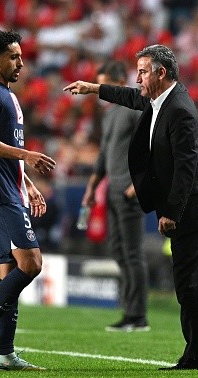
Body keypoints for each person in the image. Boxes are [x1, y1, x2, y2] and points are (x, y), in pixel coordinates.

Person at [64, 44, 198, 370]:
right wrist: (95, 88)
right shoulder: (159, 100)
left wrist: (171, 212)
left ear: (161, 73)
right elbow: (130, 97)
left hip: (191, 207)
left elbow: (186, 167)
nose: (137, 77)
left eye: (142, 71)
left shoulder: (178, 109)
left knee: (188, 282)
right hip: (194, 204)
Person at [0, 30, 56, 371]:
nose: (21, 62)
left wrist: (27, 182)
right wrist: (28, 154)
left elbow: (4, 151)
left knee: (9, 272)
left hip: (11, 188)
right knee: (30, 263)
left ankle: (5, 352)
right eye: (14, 57)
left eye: (20, 56)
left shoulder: (8, 94)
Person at [80, 60, 150, 332]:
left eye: (103, 84)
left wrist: (138, 185)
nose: (99, 91)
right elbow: (103, 155)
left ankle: (138, 316)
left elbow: (151, 147)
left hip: (128, 191)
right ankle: (128, 310)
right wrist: (91, 187)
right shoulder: (110, 114)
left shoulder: (134, 111)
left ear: (120, 82)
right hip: (111, 191)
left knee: (132, 253)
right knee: (119, 251)